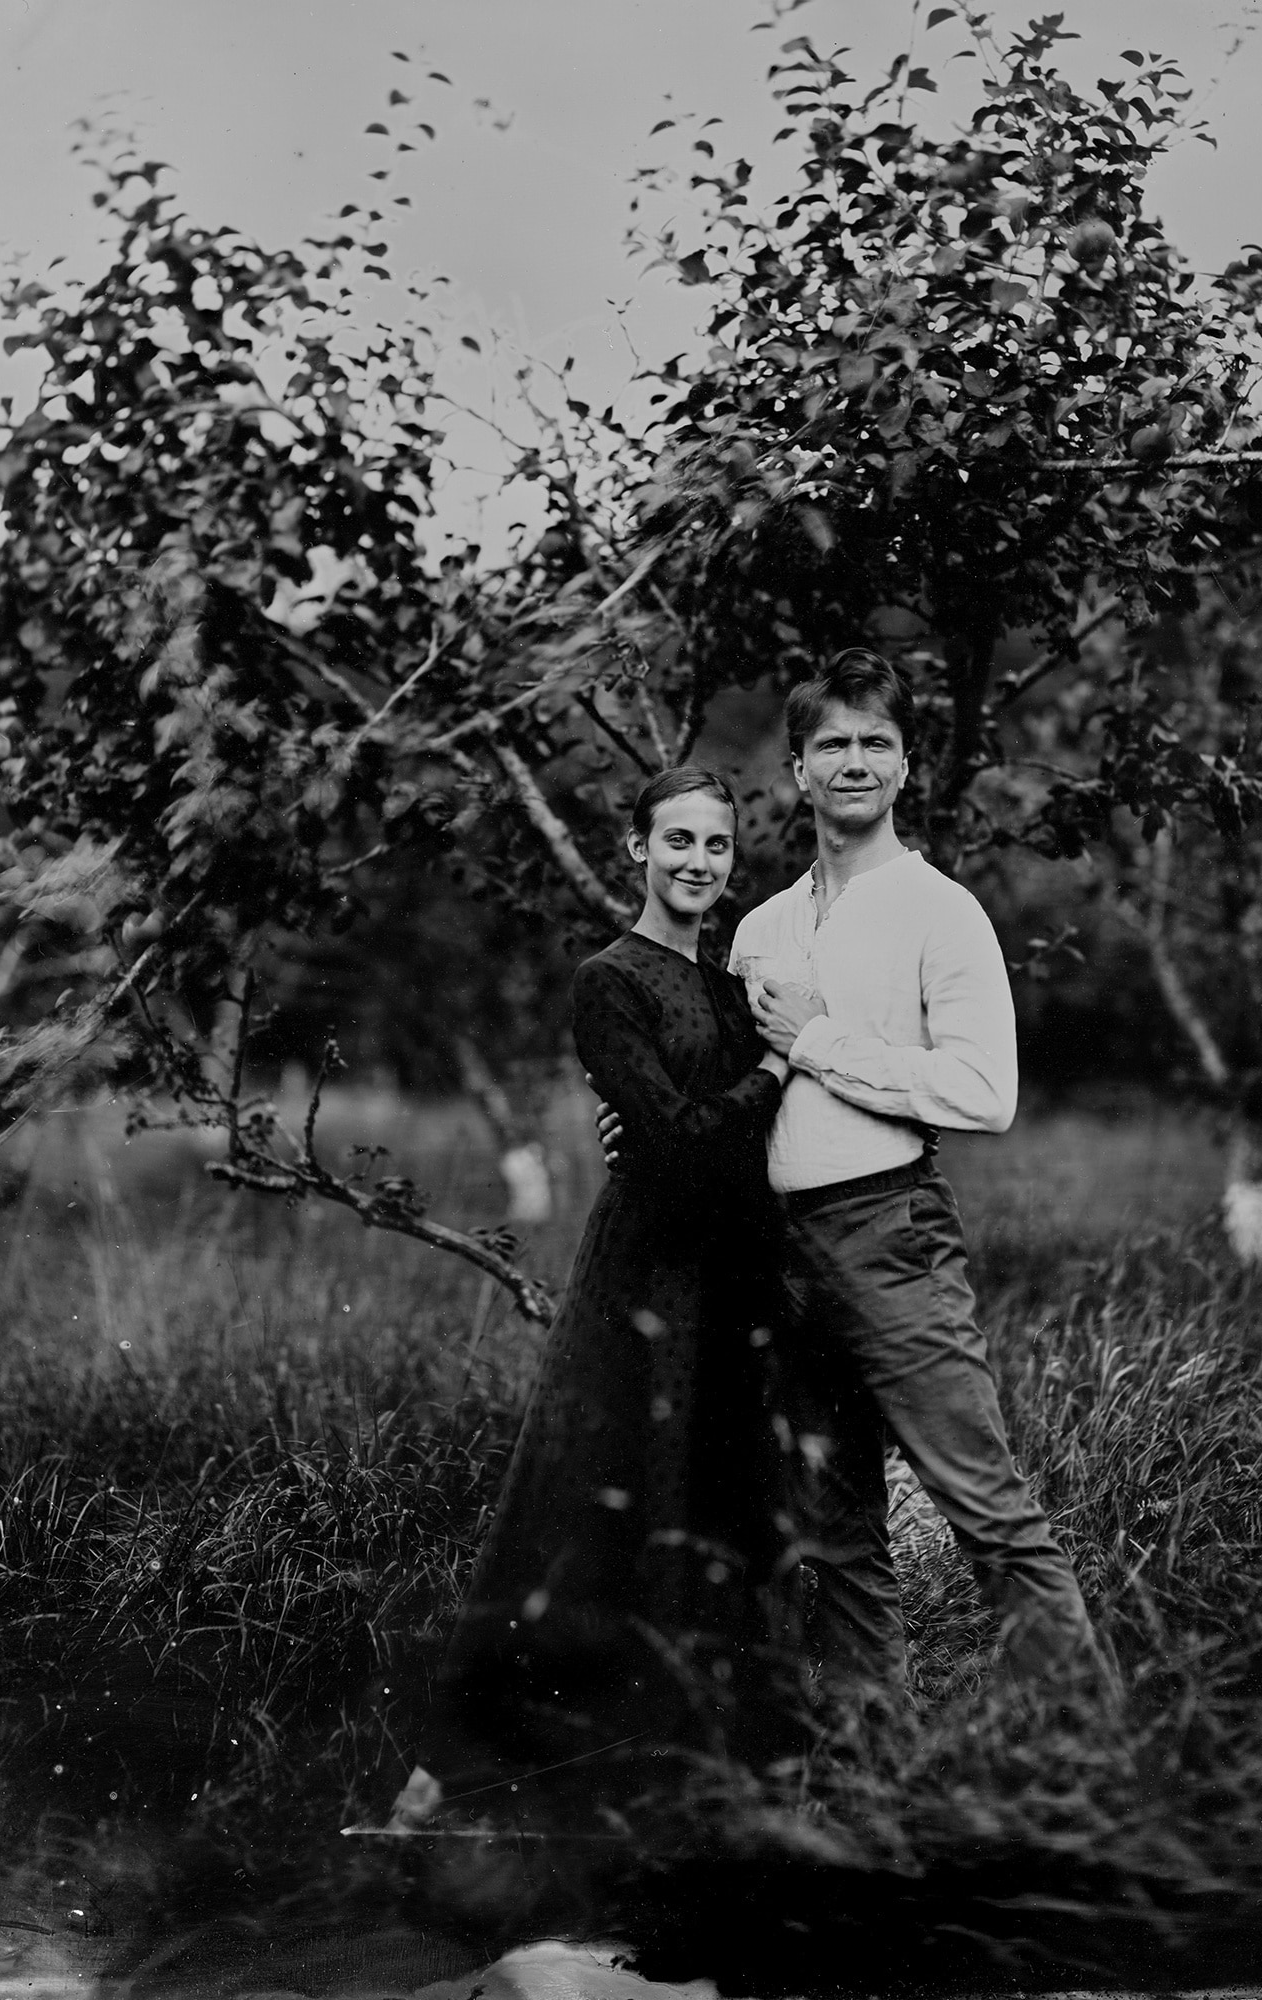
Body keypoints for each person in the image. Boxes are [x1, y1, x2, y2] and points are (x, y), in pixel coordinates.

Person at [602, 650, 1113, 1707]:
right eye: (830, 742)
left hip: (889, 1231)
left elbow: (984, 1092)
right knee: (834, 1537)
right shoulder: (759, 928)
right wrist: (643, 1134)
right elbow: (726, 1098)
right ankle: (870, 1787)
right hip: (773, 1252)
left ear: (906, 765)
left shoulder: (940, 909)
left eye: (874, 741)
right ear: (796, 766)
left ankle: (1099, 1771)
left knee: (987, 1509)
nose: (853, 761)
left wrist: (825, 1041)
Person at [392, 766, 803, 1834]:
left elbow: (715, 1135)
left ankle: (692, 1775)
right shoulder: (607, 978)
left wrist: (750, 1083)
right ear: (636, 848)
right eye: (677, 841)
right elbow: (670, 1139)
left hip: (731, 1270)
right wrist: (770, 1074)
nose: (697, 863)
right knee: (601, 1494)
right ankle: (489, 1771)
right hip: (646, 1269)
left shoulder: (729, 989)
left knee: (717, 1504)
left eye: (715, 846)